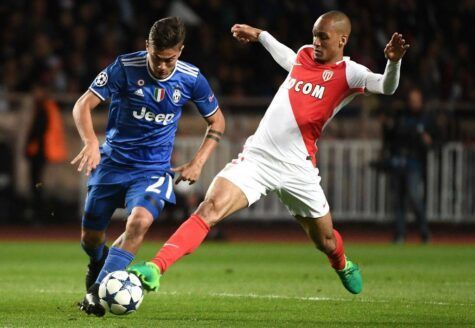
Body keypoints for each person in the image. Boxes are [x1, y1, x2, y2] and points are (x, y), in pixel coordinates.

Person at [129, 10, 409, 296]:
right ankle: (156, 267)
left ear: (342, 40)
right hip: (258, 158)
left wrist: (393, 62)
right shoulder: (304, 55)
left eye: (323, 37)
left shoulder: (351, 73)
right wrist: (260, 35)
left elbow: (386, 87)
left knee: (324, 241)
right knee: (209, 208)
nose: (316, 42)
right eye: (314, 36)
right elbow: (286, 56)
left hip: (298, 167)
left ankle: (342, 263)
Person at [72, 17, 225, 316]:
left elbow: (217, 120)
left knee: (139, 222)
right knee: (90, 238)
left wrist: (198, 162)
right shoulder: (125, 67)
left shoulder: (192, 78)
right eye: (157, 57)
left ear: (180, 51)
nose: (163, 66)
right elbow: (83, 105)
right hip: (113, 163)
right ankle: (98, 262)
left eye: (170, 59)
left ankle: (95, 292)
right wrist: (91, 142)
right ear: (147, 47)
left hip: (153, 170)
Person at [383, 88, 433, 243]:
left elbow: (434, 139)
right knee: (398, 201)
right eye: (412, 100)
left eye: (416, 100)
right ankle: (400, 234)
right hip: (398, 162)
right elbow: (390, 137)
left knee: (415, 198)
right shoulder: (400, 116)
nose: (414, 103)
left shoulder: (426, 119)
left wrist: (428, 140)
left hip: (414, 162)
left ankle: (424, 232)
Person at [25, 84, 68, 224]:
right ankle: (45, 215)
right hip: (45, 153)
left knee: (39, 185)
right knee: (40, 185)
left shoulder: (44, 108)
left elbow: (38, 132)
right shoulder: (49, 108)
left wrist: (28, 147)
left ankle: (42, 216)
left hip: (42, 153)